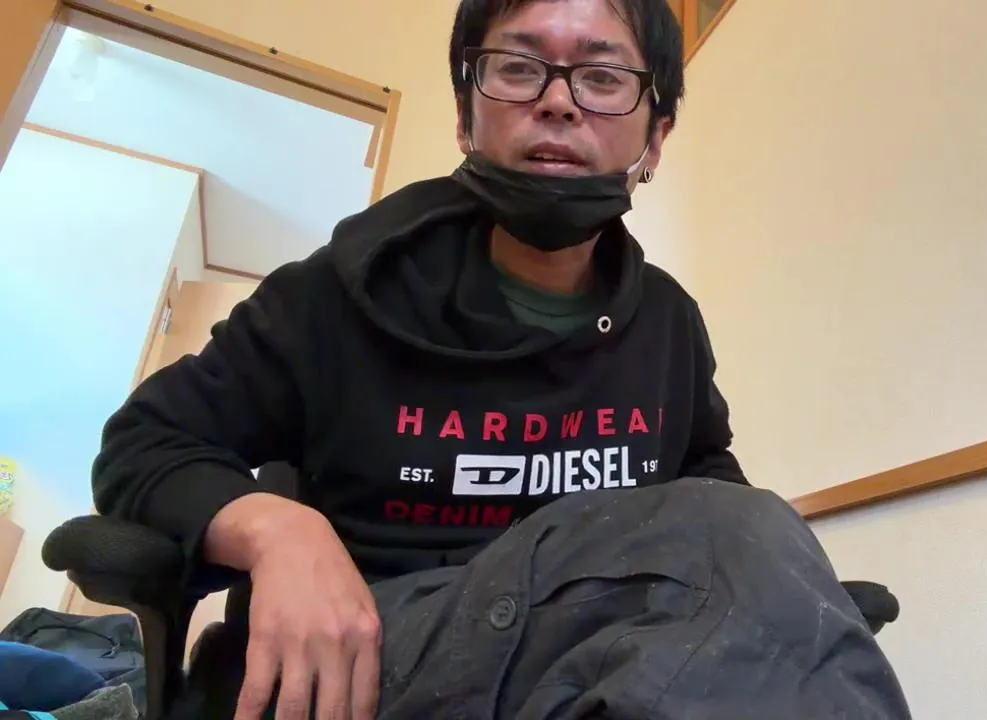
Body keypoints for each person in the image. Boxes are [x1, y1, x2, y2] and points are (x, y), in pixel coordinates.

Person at [90, 0, 911, 717]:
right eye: (519, 68)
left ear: (655, 139)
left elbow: (704, 477)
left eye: (602, 78)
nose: (558, 101)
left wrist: (782, 596)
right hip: (368, 658)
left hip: (593, 663)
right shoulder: (331, 295)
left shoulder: (668, 324)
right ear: (465, 113)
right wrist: (277, 530)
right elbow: (145, 443)